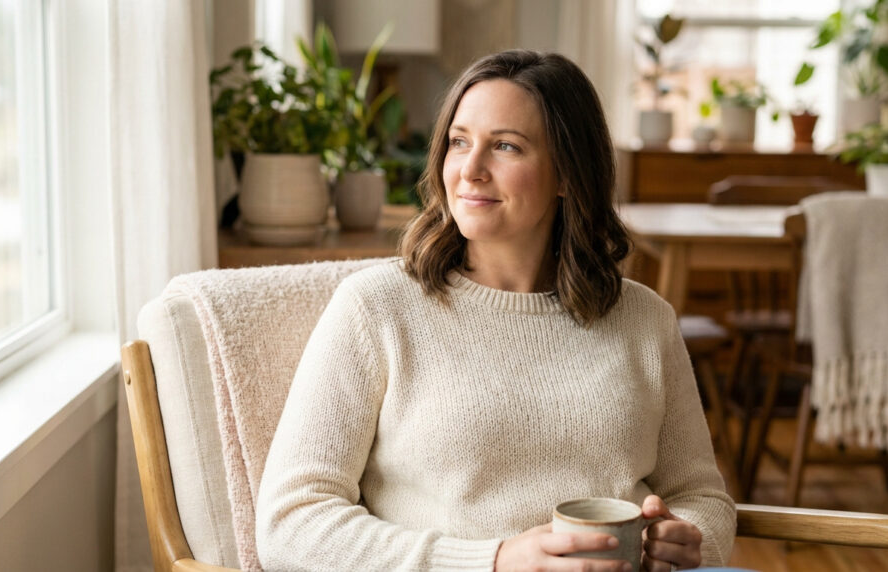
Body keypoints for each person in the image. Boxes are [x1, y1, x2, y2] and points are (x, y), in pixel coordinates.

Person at [256, 49, 736, 571]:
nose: (470, 170)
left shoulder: (646, 319)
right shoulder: (376, 308)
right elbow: (291, 524)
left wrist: (687, 540)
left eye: (506, 146)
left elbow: (702, 498)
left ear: (567, 175)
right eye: (459, 142)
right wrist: (494, 560)